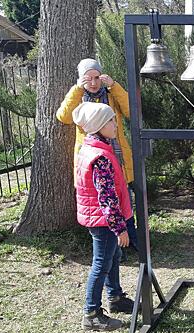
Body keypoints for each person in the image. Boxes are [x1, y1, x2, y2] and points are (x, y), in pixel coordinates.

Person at [56, 58, 138, 253]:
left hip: (117, 155)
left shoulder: (110, 94)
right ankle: (114, 249)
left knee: (123, 198)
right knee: (103, 201)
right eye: (88, 79)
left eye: (96, 77)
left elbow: (132, 111)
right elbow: (63, 117)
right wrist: (77, 89)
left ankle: (133, 242)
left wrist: (115, 86)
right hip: (94, 159)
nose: (93, 83)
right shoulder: (78, 97)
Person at [72, 102, 135, 331]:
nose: (115, 123)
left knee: (113, 257)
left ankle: (115, 296)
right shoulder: (100, 157)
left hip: (101, 219)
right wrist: (120, 228)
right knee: (101, 264)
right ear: (98, 126)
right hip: (103, 221)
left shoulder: (98, 148)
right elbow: (107, 199)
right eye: (110, 121)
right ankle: (91, 313)